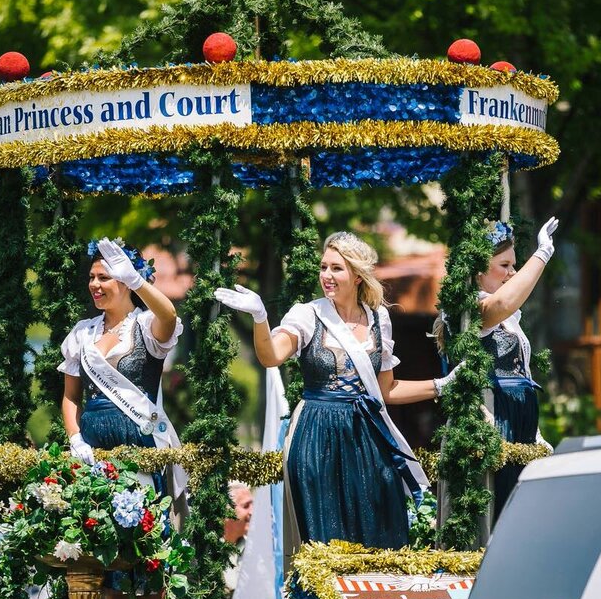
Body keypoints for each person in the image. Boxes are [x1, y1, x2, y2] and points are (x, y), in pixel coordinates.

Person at [214, 232, 457, 553]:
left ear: (357, 276)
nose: (326, 276)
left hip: (366, 437)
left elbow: (387, 389)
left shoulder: (378, 319)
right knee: (326, 537)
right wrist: (260, 318)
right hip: (318, 434)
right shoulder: (307, 314)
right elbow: (270, 356)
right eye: (324, 267)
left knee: (379, 527)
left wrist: (441, 385)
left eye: (336, 269)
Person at [60, 238, 184, 599]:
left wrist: (140, 283)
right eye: (92, 277)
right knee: (107, 554)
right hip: (97, 458)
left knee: (147, 554)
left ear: (127, 282)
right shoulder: (83, 333)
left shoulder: (146, 326)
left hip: (140, 451)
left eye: (105, 277)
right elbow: (70, 397)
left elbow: (170, 317)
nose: (95, 285)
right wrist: (75, 438)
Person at [434, 218, 558, 525]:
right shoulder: (466, 310)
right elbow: (501, 302)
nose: (512, 273)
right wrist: (542, 253)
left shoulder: (510, 319)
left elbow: (523, 370)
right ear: (478, 270)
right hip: (492, 419)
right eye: (504, 265)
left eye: (514, 265)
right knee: (495, 512)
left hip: (519, 423)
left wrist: (536, 434)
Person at [223, 481, 254, 594]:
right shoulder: (206, 553)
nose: (252, 511)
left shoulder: (253, 548)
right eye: (246, 506)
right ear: (227, 512)